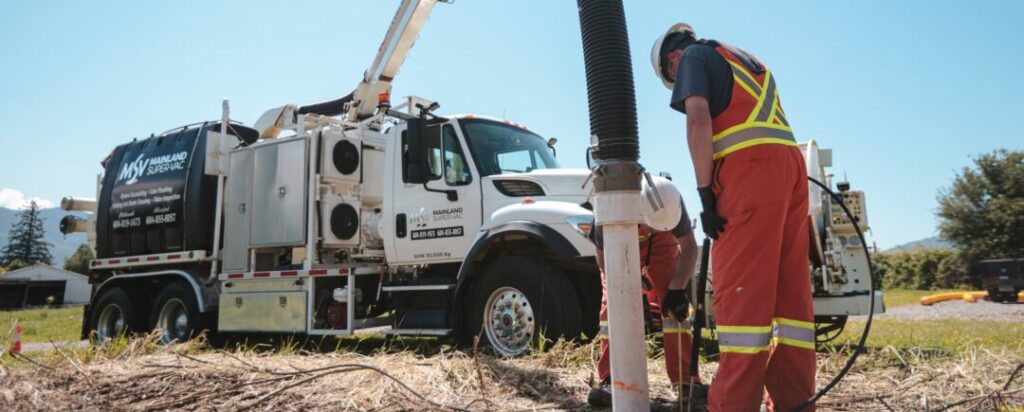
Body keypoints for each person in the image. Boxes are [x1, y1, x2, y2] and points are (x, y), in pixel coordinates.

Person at [650, 23, 817, 411]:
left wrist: (706, 194)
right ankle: (795, 401)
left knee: (743, 294)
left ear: (670, 60)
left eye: (671, 79)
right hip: (791, 168)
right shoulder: (744, 59)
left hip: (748, 171)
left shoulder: (691, 57)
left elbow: (698, 120)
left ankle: (734, 404)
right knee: (790, 294)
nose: (677, 80)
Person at [586, 176, 704, 407]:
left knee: (675, 311)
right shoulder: (609, 207)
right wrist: (625, 287)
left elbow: (689, 248)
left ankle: (687, 381)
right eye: (650, 223)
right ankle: (611, 378)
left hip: (661, 243)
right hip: (620, 234)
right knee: (612, 307)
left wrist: (677, 288)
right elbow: (603, 259)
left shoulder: (671, 204)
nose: (650, 228)